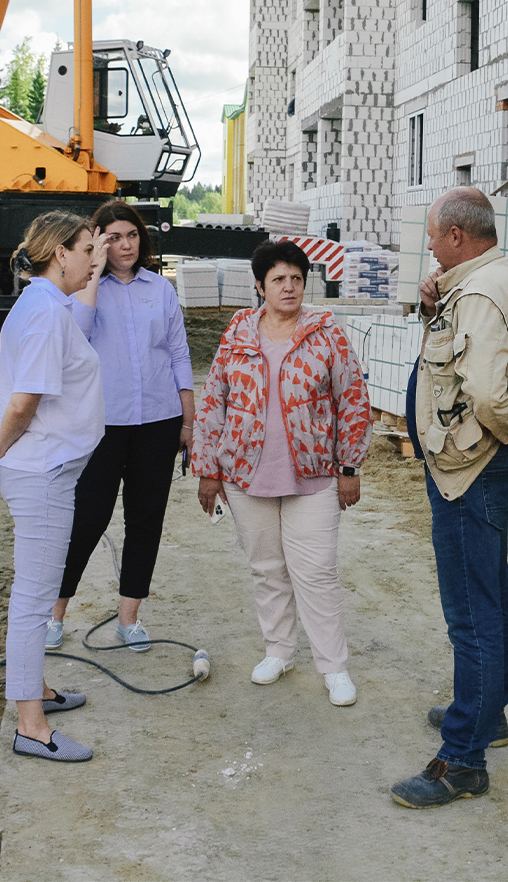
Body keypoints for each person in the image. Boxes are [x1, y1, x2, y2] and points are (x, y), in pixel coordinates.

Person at [390, 187, 508, 809]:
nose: (428, 246)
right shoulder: (492, 279)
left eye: (433, 235)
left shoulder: (480, 293)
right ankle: (487, 713)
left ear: (458, 235)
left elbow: (483, 388)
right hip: (480, 465)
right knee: (491, 592)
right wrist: (434, 307)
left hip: (471, 470)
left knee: (471, 613)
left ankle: (463, 760)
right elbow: (460, 361)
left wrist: (507, 434)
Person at [192, 239, 371, 707]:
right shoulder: (238, 334)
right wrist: (207, 469)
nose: (288, 287)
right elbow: (214, 402)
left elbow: (352, 398)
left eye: (296, 278)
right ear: (260, 286)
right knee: (267, 569)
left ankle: (334, 667)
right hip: (246, 475)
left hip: (313, 477)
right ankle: (279, 650)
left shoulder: (326, 334)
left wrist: (350, 465)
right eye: (278, 279)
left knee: (316, 572)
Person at [0, 211, 106, 763]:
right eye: (88, 249)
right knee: (33, 602)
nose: (95, 260)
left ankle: (37, 690)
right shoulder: (47, 314)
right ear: (59, 252)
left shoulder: (44, 306)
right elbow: (24, 402)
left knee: (36, 594)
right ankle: (30, 725)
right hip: (41, 471)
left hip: (46, 466)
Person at [47, 200, 194, 651]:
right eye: (112, 237)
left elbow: (177, 352)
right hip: (103, 424)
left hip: (158, 420)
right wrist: (92, 273)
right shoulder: (82, 289)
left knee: (146, 520)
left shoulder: (160, 289)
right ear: (97, 242)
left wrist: (189, 417)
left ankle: (129, 618)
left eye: (131, 235)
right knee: (87, 518)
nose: (125, 245)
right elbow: (79, 332)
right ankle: (54, 613)